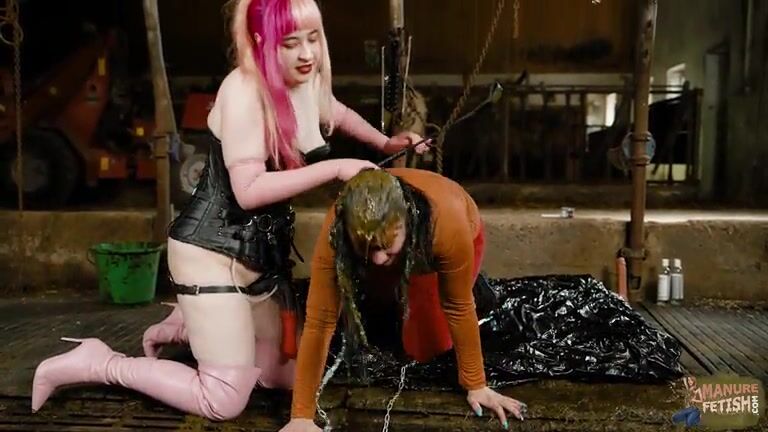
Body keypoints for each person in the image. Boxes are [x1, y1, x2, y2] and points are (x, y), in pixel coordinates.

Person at [30, 0, 424, 421]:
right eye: (290, 43)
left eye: (313, 39)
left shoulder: (303, 79)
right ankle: (102, 362)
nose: (307, 54)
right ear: (260, 41)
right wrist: (337, 167)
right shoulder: (242, 93)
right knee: (223, 399)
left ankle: (195, 325)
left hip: (259, 258)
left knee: (288, 378)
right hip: (209, 256)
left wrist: (384, 142)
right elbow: (248, 191)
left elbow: (335, 111)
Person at [279, 168, 526, 432]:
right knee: (378, 308)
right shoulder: (338, 227)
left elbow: (457, 306)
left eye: (385, 247)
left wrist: (476, 384)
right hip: (391, 248)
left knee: (426, 347)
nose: (378, 259)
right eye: (369, 248)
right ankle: (383, 265)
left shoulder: (446, 225)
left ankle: (472, 285)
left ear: (406, 222)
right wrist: (301, 416)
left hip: (443, 241)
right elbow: (320, 321)